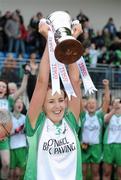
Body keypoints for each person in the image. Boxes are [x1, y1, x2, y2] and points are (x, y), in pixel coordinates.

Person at [24, 20, 83, 180]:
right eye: (50, 101)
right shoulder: (36, 124)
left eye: (60, 100)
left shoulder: (71, 120)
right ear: (41, 106)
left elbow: (75, 81)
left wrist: (71, 41)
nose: (57, 106)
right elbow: (42, 82)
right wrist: (49, 40)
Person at [79, 79, 110, 180]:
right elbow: (78, 100)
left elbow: (106, 101)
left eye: (93, 103)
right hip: (84, 146)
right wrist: (78, 87)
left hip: (96, 147)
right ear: (86, 106)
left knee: (95, 173)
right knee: (82, 173)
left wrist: (106, 86)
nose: (91, 105)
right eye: (89, 103)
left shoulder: (100, 115)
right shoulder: (83, 115)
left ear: (97, 105)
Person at [9, 97, 28, 180]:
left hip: (22, 146)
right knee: (11, 173)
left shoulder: (25, 118)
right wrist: (16, 130)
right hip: (11, 147)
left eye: (21, 102)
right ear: (13, 104)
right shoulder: (8, 117)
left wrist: (25, 129)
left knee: (21, 172)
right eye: (17, 102)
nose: (20, 104)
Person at [103, 98, 121, 180]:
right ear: (111, 105)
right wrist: (114, 109)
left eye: (119, 103)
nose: (117, 105)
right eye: (115, 103)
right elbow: (106, 120)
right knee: (107, 172)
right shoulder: (108, 115)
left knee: (120, 173)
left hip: (119, 146)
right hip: (108, 146)